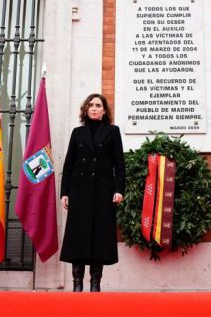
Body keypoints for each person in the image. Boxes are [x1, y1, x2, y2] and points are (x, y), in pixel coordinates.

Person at [60, 93, 126, 292]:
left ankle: (95, 284)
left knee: (100, 238)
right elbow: (69, 164)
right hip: (79, 192)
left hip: (103, 192)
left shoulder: (113, 132)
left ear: (104, 110)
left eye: (98, 105)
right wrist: (65, 192)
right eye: (91, 105)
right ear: (86, 109)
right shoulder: (77, 133)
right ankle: (77, 283)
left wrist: (119, 190)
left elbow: (119, 165)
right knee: (77, 237)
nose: (94, 108)